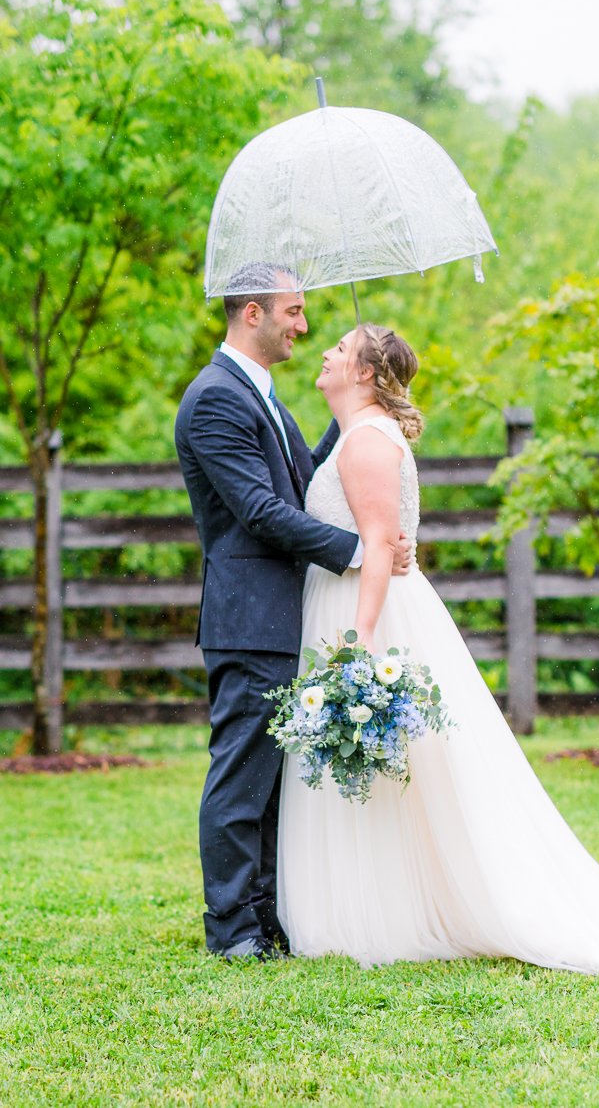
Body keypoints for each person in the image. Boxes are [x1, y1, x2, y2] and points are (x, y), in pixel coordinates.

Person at [277, 322, 599, 973]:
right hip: (353, 605)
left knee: (391, 768)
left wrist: (363, 644)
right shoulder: (359, 437)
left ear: (366, 375)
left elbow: (379, 546)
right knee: (389, 770)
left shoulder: (368, 445)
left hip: (365, 614)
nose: (325, 353)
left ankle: (379, 914)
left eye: (341, 350)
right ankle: (369, 904)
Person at [174, 266, 411, 962]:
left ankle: (267, 917)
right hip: (249, 615)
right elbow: (259, 512)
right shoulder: (216, 399)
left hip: (281, 614)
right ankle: (234, 931)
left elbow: (307, 483)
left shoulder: (266, 399)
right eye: (295, 312)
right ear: (254, 313)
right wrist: (361, 552)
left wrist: (360, 416)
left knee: (273, 785)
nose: (303, 328)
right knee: (241, 778)